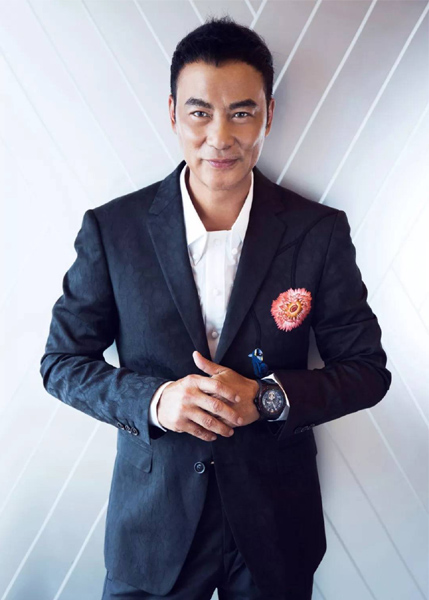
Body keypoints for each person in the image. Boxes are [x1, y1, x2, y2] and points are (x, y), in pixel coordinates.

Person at [40, 15, 392, 600]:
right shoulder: (112, 230)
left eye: (242, 112)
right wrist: (156, 401)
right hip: (153, 526)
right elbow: (60, 363)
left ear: (269, 115)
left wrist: (269, 399)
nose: (220, 137)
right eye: (200, 112)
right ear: (173, 114)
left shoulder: (320, 231)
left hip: (275, 525)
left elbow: (367, 371)